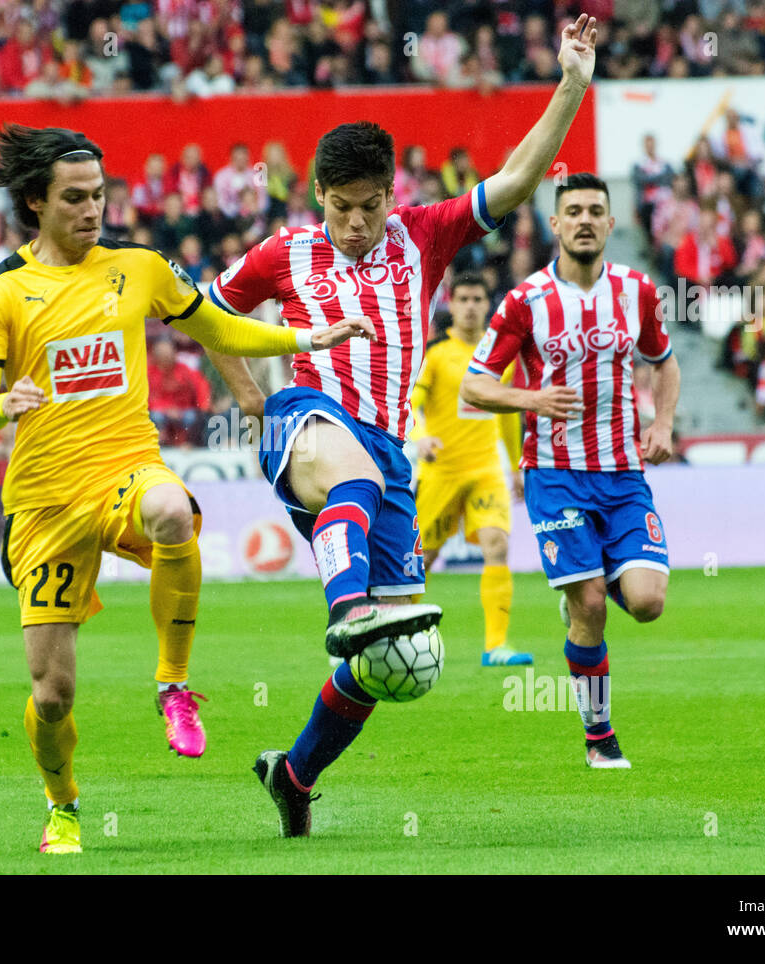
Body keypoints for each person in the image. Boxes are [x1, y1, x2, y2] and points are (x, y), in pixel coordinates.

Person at [209, 14, 599, 836]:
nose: (358, 223)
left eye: (373, 205)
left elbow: (520, 179)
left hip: (388, 457)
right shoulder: (283, 254)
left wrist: (570, 85)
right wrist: (248, 396)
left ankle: (295, 773)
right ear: (320, 196)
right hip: (306, 421)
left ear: (394, 191)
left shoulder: (424, 235)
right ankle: (345, 604)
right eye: (344, 208)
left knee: (399, 666)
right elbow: (208, 313)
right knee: (350, 506)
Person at [0, 124, 373, 855]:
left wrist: (306, 341)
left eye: (100, 196)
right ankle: (63, 806)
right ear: (35, 202)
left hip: (125, 465)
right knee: (52, 695)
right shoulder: (1, 292)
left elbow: (221, 325)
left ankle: (172, 686)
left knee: (174, 511)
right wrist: (4, 405)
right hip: (45, 500)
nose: (94, 211)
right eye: (76, 199)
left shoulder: (141, 268)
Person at [461, 172, 681, 770]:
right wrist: (530, 400)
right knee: (590, 603)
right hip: (554, 473)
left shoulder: (637, 292)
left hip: (623, 474)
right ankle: (599, 734)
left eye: (595, 211)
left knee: (647, 602)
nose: (585, 220)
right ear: (555, 225)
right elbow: (475, 385)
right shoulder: (525, 301)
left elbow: (665, 363)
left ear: (611, 224)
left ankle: (591, 584)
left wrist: (661, 426)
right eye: (573, 211)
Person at [412, 273, 530, 666]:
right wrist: (420, 435)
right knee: (421, 559)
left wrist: (515, 466)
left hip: (485, 470)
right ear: (452, 303)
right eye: (462, 298)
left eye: (478, 298)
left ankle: (496, 646)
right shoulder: (437, 355)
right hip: (441, 470)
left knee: (497, 545)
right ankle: (393, 634)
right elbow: (414, 401)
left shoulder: (499, 358)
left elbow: (509, 414)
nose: (469, 306)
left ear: (487, 303)